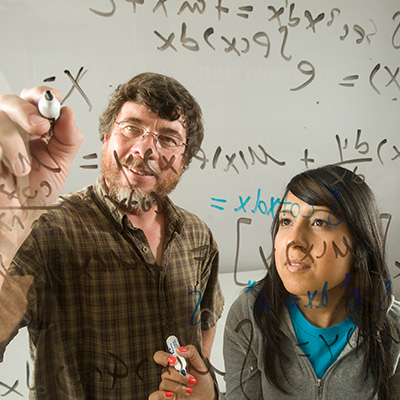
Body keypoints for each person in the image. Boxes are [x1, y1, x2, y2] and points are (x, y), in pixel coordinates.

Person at [0, 72, 224, 399]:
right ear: (106, 137)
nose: (146, 148)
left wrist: (195, 380)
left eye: (168, 138)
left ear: (183, 161)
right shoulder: (43, 231)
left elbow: (205, 321)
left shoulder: (197, 235)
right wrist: (7, 232)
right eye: (132, 128)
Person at [150, 165, 400, 400]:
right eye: (286, 221)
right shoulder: (250, 315)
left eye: (319, 222)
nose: (294, 240)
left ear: (359, 246)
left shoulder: (393, 329)